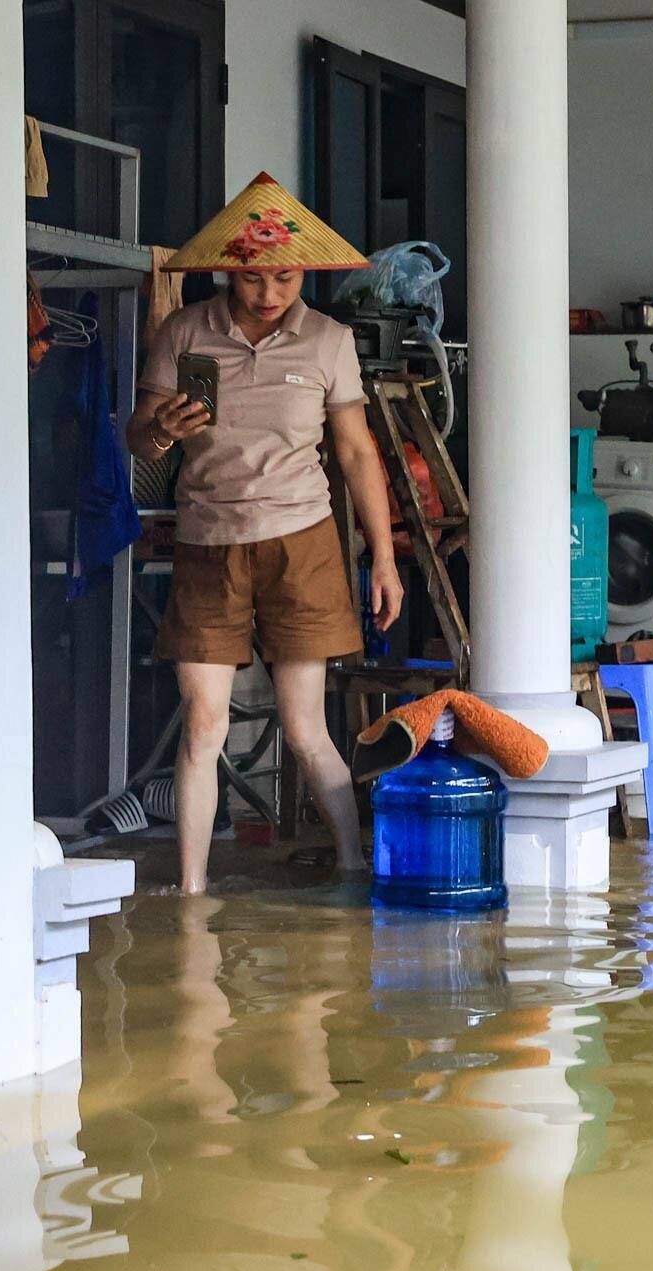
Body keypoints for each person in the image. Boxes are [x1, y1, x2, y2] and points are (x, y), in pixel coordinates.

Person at [127, 173, 400, 894]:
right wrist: (161, 428)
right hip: (207, 540)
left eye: (283, 276)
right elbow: (140, 439)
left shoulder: (328, 341)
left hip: (300, 542)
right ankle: (191, 891)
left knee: (305, 728)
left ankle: (351, 869)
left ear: (302, 270)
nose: (269, 292)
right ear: (225, 271)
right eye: (253, 278)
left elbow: (355, 454)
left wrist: (384, 556)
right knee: (203, 725)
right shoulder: (183, 331)